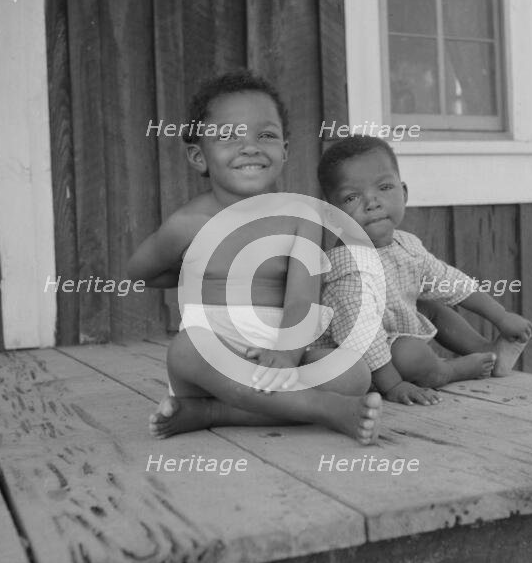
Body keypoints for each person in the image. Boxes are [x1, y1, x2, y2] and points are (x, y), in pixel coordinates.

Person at [128, 71, 382, 444]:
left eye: (265, 135)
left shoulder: (301, 219)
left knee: (354, 372)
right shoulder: (188, 225)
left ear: (285, 150)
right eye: (229, 136)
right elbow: (139, 273)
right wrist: (189, 274)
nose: (249, 146)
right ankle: (322, 408)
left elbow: (301, 297)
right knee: (188, 347)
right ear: (199, 156)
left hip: (279, 350)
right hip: (211, 368)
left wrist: (286, 356)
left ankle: (214, 413)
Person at [315, 135, 532, 406]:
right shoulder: (348, 270)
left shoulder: (405, 245)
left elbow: (449, 281)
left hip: (392, 334)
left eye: (384, 187)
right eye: (351, 197)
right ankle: (448, 371)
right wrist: (393, 385)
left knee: (431, 305)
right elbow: (361, 338)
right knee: (409, 352)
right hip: (357, 362)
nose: (372, 203)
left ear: (404, 193)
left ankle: (487, 351)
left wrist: (501, 316)